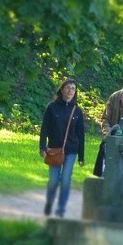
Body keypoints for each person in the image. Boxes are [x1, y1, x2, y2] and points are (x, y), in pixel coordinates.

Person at [39, 79, 85, 218]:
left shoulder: (77, 111)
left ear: (75, 92)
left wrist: (81, 156)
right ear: (62, 89)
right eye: (68, 87)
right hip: (54, 149)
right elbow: (44, 129)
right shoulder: (52, 107)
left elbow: (80, 135)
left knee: (65, 179)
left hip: (71, 151)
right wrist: (42, 147)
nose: (70, 90)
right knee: (54, 180)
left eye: (73, 88)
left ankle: (61, 208)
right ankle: (49, 202)